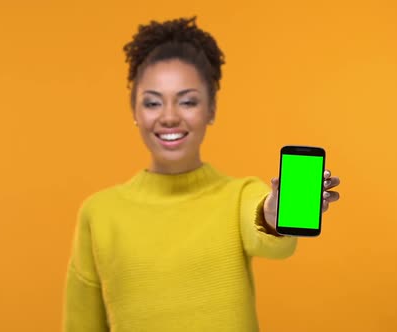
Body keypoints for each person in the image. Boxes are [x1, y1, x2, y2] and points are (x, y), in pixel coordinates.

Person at [62, 16, 341, 332]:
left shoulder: (239, 196)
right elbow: (80, 323)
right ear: (134, 111)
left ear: (211, 109)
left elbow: (266, 231)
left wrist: (273, 214)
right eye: (153, 102)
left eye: (188, 101)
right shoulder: (98, 213)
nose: (169, 117)